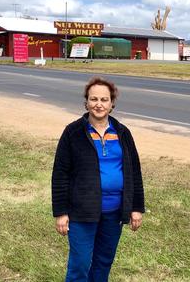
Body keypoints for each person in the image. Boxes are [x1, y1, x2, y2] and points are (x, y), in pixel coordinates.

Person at [52, 77, 145, 282]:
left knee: (103, 262)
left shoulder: (122, 133)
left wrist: (136, 207)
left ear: (112, 103)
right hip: (82, 213)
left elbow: (134, 172)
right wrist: (60, 212)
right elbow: (60, 173)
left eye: (104, 99)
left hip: (114, 212)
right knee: (81, 264)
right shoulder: (73, 132)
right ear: (86, 102)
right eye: (94, 99)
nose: (99, 104)